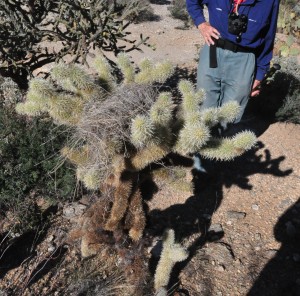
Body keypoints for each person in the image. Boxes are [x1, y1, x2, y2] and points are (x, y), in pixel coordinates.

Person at [186, 0, 280, 126]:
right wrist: (201, 24)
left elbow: (269, 37)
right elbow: (192, 2)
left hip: (244, 59)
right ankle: (201, 141)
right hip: (213, 49)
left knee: (231, 112)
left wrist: (259, 74)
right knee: (204, 104)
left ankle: (222, 141)